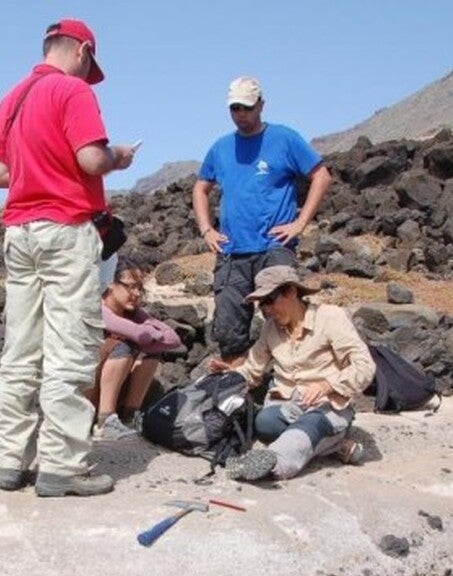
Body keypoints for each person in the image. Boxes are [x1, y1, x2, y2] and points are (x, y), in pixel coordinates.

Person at [0, 18, 138, 497]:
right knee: (70, 349)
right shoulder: (73, 92)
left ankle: (12, 461)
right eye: (89, 64)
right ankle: (62, 468)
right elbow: (91, 160)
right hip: (65, 228)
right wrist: (119, 155)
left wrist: (38, 167)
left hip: (19, 232)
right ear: (82, 51)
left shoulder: (10, 99)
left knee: (21, 351)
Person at [192, 76, 333, 365]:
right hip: (232, 252)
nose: (240, 114)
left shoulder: (284, 138)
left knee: (287, 317)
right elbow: (200, 187)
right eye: (235, 108)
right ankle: (237, 396)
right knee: (229, 327)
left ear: (261, 105)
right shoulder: (221, 147)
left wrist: (300, 222)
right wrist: (206, 228)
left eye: (246, 107)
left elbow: (321, 175)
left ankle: (295, 385)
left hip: (274, 247)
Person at [208, 266, 375, 481]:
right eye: (261, 304)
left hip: (326, 405)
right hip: (286, 406)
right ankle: (333, 445)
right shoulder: (270, 329)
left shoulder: (330, 317)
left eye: (269, 300)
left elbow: (365, 365)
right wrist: (232, 373)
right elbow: (253, 370)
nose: (265, 309)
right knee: (264, 422)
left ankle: (273, 462)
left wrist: (328, 385)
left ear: (291, 292)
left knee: (312, 424)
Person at [89, 260, 181, 439]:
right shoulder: (97, 308)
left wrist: (146, 333)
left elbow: (173, 339)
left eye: (140, 288)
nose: (136, 294)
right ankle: (104, 420)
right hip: (87, 388)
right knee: (121, 346)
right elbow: (139, 336)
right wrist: (146, 334)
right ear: (110, 283)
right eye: (130, 287)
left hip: (112, 386)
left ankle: (130, 417)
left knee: (152, 353)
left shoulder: (135, 314)